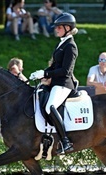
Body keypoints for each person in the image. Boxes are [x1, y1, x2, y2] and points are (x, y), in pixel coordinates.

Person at [30, 12, 78, 155]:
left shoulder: (71, 46)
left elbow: (65, 71)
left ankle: (65, 141)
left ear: (68, 28)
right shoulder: (62, 43)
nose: (56, 29)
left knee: (51, 107)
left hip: (64, 84)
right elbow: (55, 66)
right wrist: (41, 73)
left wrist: (46, 74)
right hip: (55, 82)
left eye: (59, 27)